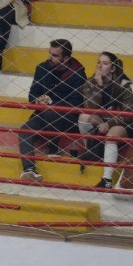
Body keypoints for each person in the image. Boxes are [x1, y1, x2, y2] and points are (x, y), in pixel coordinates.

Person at [17, 39, 86, 181]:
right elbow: (32, 94)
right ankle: (30, 170)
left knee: (52, 112)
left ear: (66, 58)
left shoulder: (78, 73)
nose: (50, 58)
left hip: (68, 119)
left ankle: (54, 147)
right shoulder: (41, 68)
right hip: (44, 113)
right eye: (50, 54)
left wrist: (52, 103)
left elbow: (77, 103)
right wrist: (38, 100)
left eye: (55, 55)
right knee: (24, 131)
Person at [77, 52, 133, 189]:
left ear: (113, 68)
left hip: (120, 123)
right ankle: (90, 150)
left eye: (105, 63)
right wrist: (98, 85)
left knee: (112, 133)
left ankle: (107, 179)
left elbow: (127, 113)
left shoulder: (123, 83)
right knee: (84, 116)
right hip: (100, 121)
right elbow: (90, 107)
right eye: (99, 62)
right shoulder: (91, 82)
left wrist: (109, 123)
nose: (100, 66)